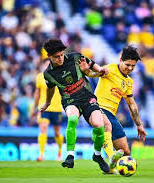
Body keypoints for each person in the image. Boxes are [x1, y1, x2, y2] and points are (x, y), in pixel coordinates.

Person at [39, 39, 110, 173]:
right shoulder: (48, 73)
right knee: (72, 119)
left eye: (61, 55)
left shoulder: (75, 57)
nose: (60, 58)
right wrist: (47, 103)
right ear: (49, 56)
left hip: (87, 96)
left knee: (99, 125)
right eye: (56, 57)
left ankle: (97, 155)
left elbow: (92, 64)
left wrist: (100, 69)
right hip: (70, 100)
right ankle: (70, 155)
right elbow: (50, 89)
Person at [94, 45, 147, 173]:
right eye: (127, 64)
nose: (130, 68)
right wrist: (90, 70)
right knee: (107, 126)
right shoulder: (109, 69)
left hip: (111, 114)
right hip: (96, 107)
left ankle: (111, 169)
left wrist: (139, 125)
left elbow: (132, 104)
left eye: (133, 66)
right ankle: (111, 155)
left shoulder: (129, 82)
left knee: (126, 152)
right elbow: (93, 73)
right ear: (120, 60)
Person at [31, 60, 64, 161]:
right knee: (43, 128)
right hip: (43, 108)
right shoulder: (40, 77)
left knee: (57, 132)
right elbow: (37, 93)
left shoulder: (59, 76)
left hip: (57, 108)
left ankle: (60, 152)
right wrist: (34, 107)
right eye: (46, 65)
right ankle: (41, 154)